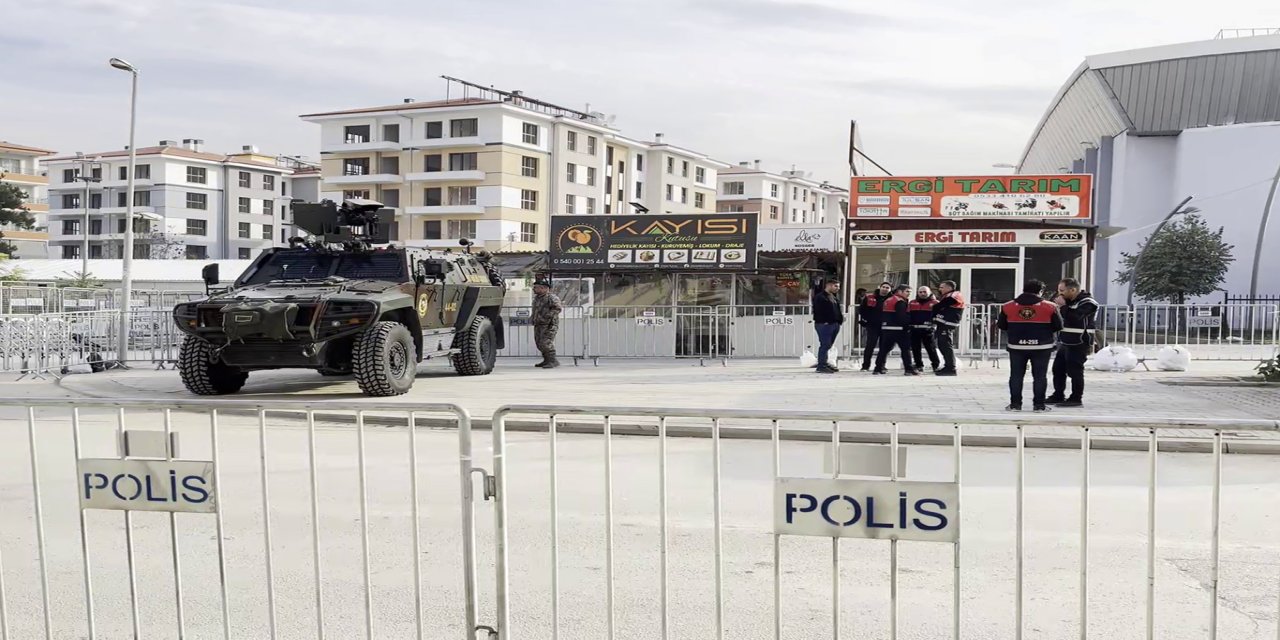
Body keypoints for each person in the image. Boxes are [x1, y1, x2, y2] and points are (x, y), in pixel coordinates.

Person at [996, 280, 1064, 411]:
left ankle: (1015, 404)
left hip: (1016, 346)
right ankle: (1039, 405)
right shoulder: (1050, 307)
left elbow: (1002, 325)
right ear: (1040, 291)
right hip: (1042, 347)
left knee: (1016, 376)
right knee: (1040, 376)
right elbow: (1058, 326)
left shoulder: (1008, 306)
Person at [1047, 278, 1098, 408]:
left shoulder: (1088, 303)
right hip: (1065, 341)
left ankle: (1076, 398)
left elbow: (1075, 317)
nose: (1059, 293)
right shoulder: (1067, 301)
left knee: (1075, 371)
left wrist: (1063, 306)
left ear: (1073, 290)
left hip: (1079, 342)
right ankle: (1058, 395)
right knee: (1058, 369)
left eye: (1062, 290)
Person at [874, 284, 917, 376]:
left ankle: (878, 368)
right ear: (900, 291)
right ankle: (908, 369)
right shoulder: (900, 301)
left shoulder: (888, 300)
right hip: (899, 329)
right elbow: (901, 316)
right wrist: (908, 325)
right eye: (907, 291)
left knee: (884, 350)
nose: (909, 294)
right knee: (905, 349)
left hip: (887, 329)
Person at [932, 280, 965, 376]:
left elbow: (949, 301)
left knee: (946, 345)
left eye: (942, 287)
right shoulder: (946, 295)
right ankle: (948, 366)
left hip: (948, 323)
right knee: (942, 345)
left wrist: (936, 307)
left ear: (949, 288)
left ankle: (951, 368)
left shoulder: (955, 294)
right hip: (943, 323)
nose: (940, 289)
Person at [811, 278, 844, 373]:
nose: (837, 288)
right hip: (825, 324)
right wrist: (824, 321)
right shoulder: (820, 297)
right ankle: (821, 366)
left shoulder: (833, 297)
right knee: (825, 344)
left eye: (838, 286)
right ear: (829, 285)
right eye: (835, 286)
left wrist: (839, 321)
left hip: (834, 323)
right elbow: (818, 310)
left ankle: (824, 363)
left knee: (828, 345)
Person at [860, 282, 892, 371]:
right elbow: (862, 310)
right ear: (880, 287)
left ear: (890, 290)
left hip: (886, 325)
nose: (885, 289)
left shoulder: (892, 299)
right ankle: (865, 365)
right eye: (883, 287)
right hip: (872, 325)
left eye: (887, 288)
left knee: (884, 346)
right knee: (870, 345)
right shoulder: (870, 297)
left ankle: (881, 365)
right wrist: (866, 319)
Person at [531, 279, 563, 368]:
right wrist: (533, 318)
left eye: (536, 287)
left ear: (543, 288)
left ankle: (553, 361)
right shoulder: (537, 298)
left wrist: (547, 317)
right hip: (539, 324)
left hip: (549, 324)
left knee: (546, 342)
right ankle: (546, 360)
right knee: (539, 343)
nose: (534, 289)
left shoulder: (551, 298)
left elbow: (557, 308)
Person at [908, 286, 941, 372]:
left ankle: (935, 365)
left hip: (928, 329)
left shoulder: (935, 303)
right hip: (914, 329)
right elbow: (908, 315)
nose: (922, 294)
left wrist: (934, 325)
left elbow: (939, 315)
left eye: (924, 292)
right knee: (915, 348)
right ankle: (918, 365)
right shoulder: (912, 303)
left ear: (929, 292)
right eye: (920, 292)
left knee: (931, 348)